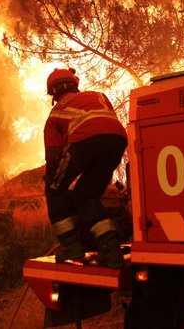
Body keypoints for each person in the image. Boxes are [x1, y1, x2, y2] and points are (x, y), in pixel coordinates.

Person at [43, 68, 128, 268]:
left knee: (54, 189)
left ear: (53, 94)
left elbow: (54, 157)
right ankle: (111, 250)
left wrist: (53, 180)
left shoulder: (55, 113)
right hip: (117, 140)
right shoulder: (99, 96)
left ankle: (71, 245)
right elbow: (104, 126)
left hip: (84, 141)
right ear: (75, 84)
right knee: (85, 195)